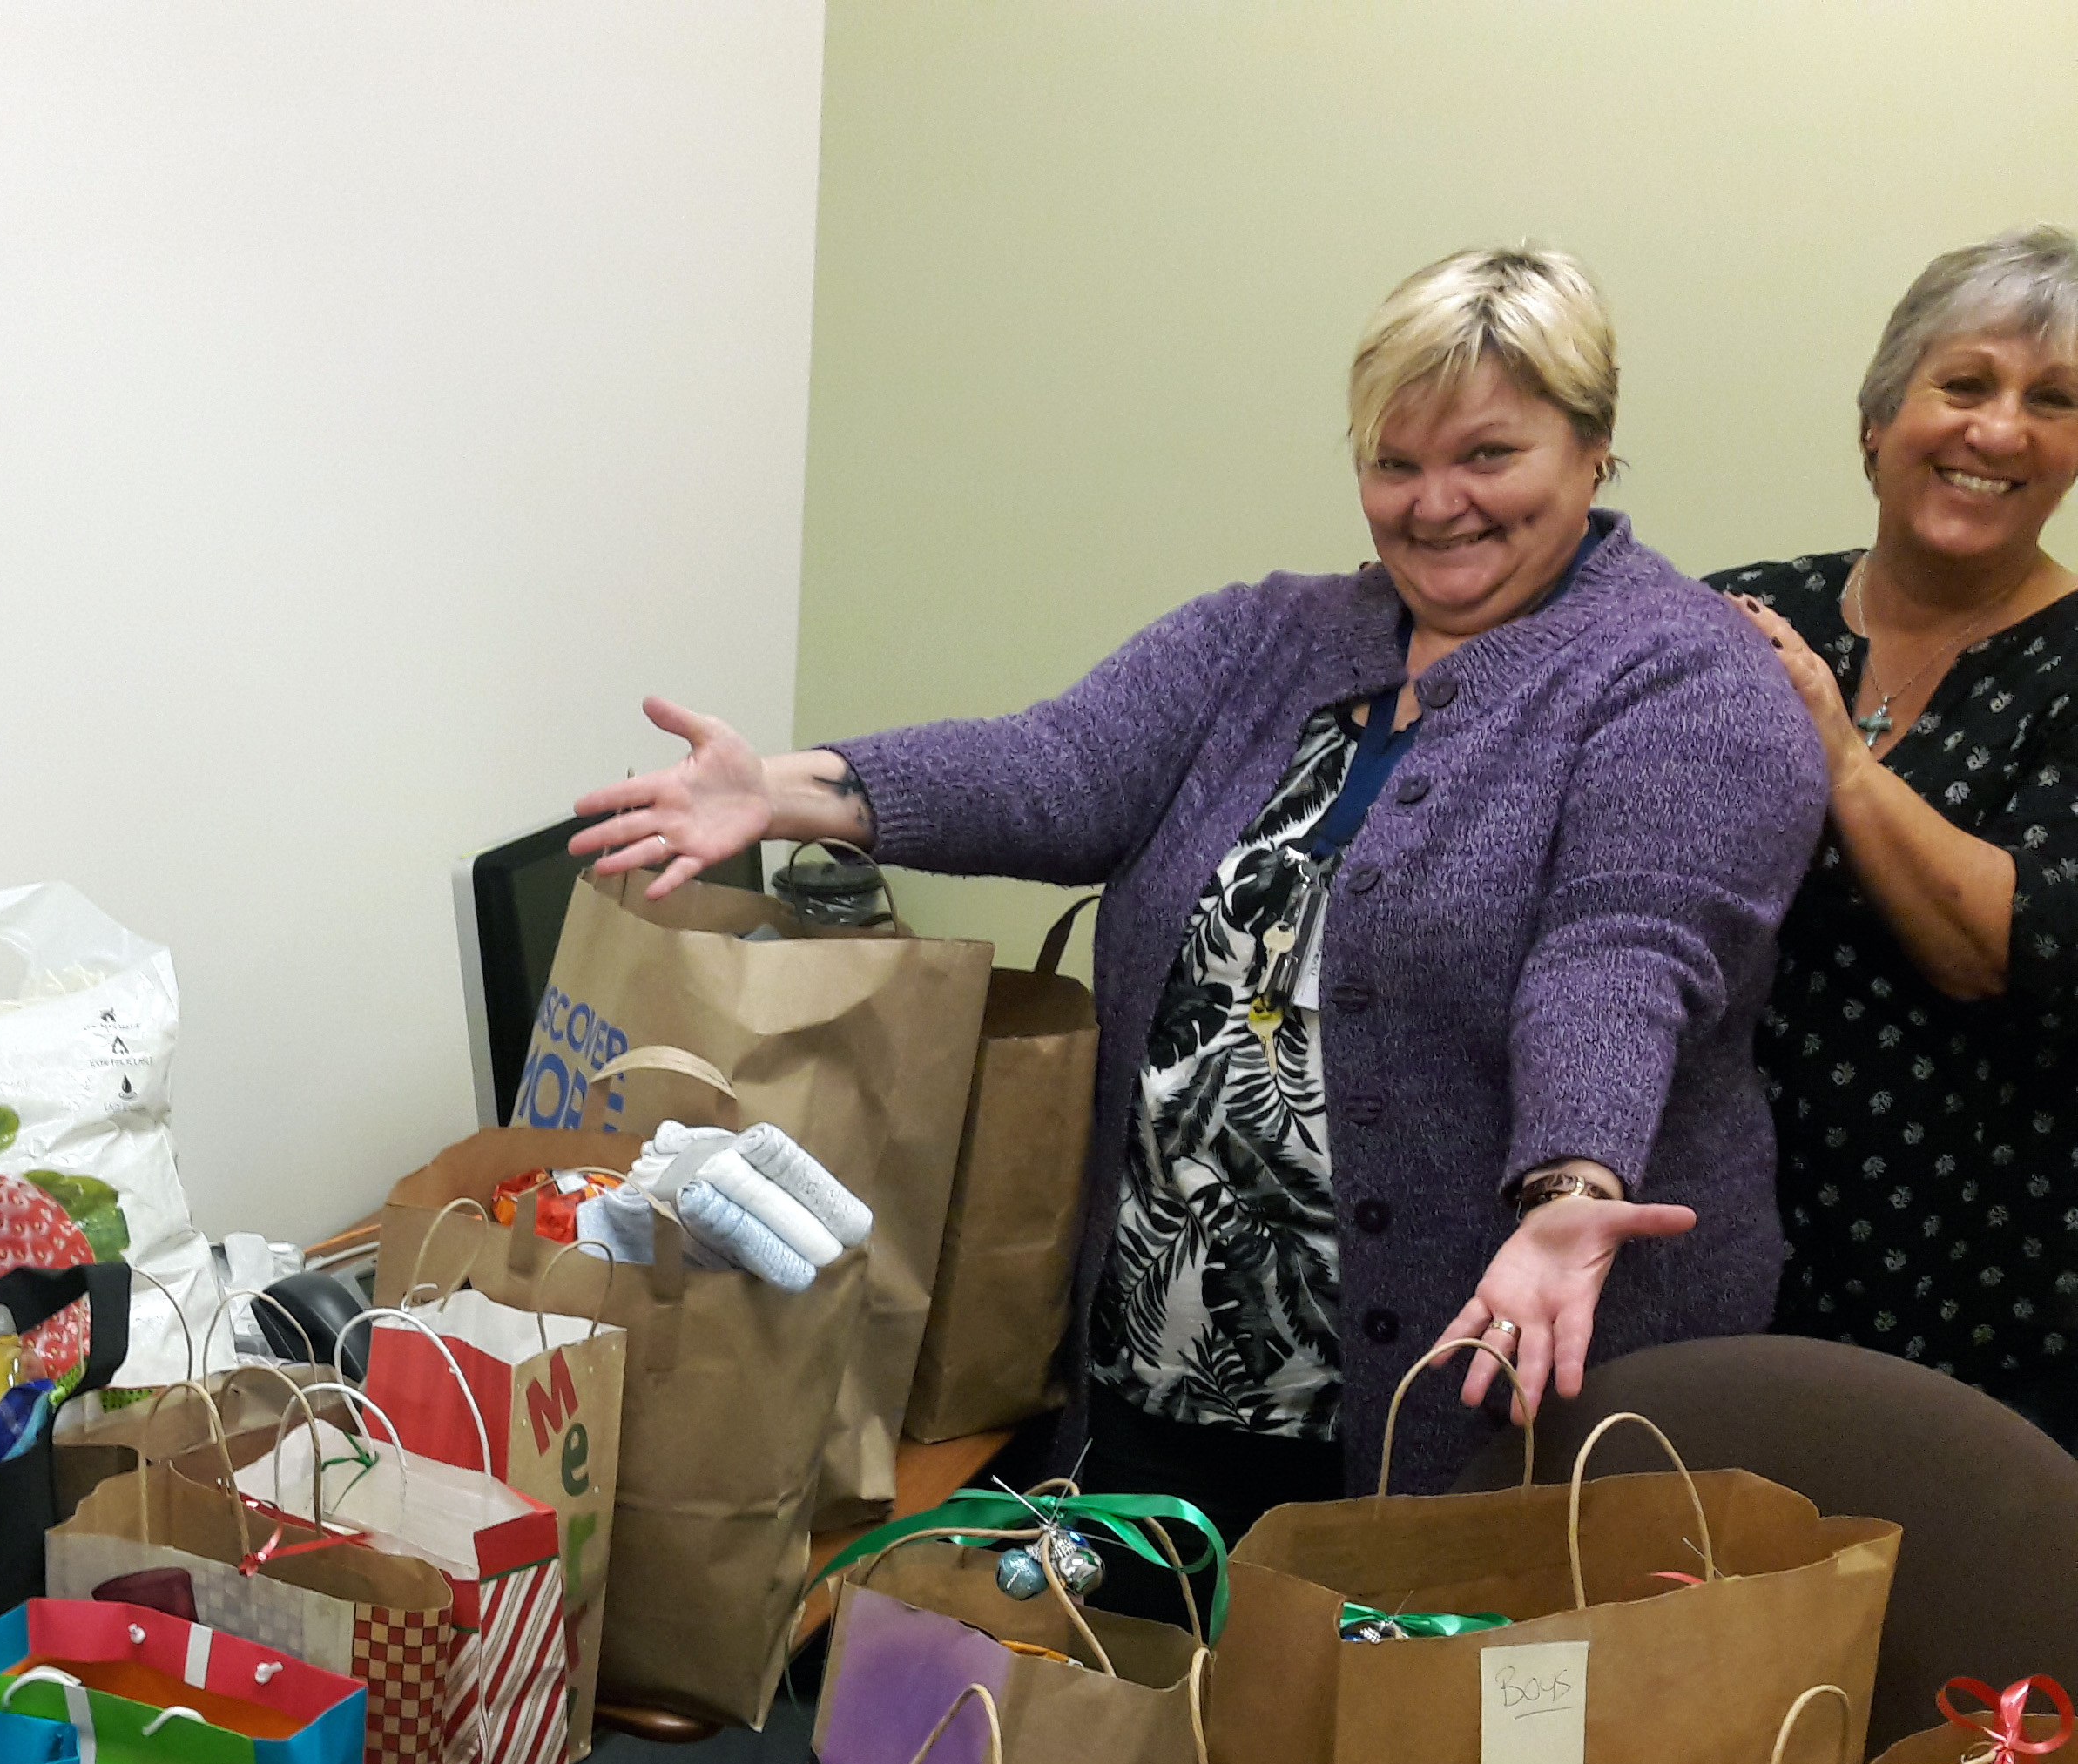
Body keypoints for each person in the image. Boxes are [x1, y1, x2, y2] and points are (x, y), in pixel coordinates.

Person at [571, 246, 1825, 1540]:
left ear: (1594, 450)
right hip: (1169, 1364)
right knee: (1138, 1666)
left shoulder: (1686, 679)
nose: (1435, 504)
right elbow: (1060, 767)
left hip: (1485, 1384)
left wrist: (1571, 1187)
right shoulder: (1266, 636)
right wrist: (784, 790)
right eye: (1394, 463)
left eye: (1488, 456)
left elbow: (1621, 953)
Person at [1716, 227, 2078, 1447]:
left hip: (1987, 1307)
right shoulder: (1739, 612)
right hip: (1717, 1271)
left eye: (2054, 401)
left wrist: (1837, 757)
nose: (2000, 431)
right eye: (1965, 384)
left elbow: (2006, 949)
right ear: (1878, 421)